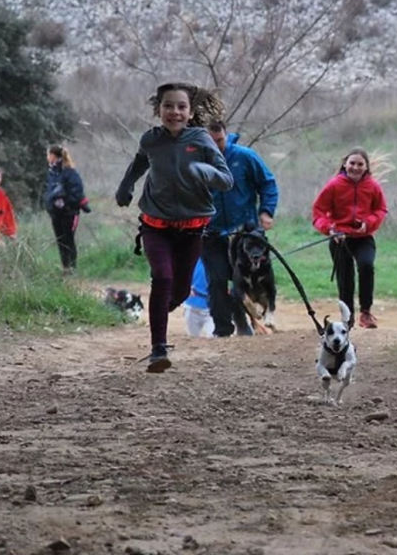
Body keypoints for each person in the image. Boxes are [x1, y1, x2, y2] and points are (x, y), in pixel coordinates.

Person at [115, 82, 233, 373]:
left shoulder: (202, 140)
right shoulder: (151, 140)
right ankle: (158, 349)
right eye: (168, 106)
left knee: (179, 292)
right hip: (156, 224)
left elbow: (226, 179)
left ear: (190, 111)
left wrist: (205, 171)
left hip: (192, 227)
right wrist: (126, 186)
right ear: (159, 109)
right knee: (162, 278)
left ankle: (159, 311)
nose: (175, 112)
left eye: (181, 107)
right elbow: (140, 163)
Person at [200, 119, 279, 338]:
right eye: (211, 143)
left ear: (226, 135)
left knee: (241, 279)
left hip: (245, 232)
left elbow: (268, 183)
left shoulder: (245, 156)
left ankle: (247, 321)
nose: (216, 147)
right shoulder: (196, 161)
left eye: (220, 141)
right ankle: (224, 329)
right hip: (211, 232)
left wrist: (266, 211)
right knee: (217, 279)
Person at [312, 147, 388, 329]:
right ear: (345, 164)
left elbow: (381, 210)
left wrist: (368, 223)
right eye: (352, 163)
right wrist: (329, 228)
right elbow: (318, 212)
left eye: (360, 164)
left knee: (366, 266)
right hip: (340, 238)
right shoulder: (334, 185)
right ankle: (348, 317)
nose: (355, 167)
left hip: (364, 237)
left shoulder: (373, 186)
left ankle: (366, 312)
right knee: (345, 277)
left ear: (366, 167)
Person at [43, 145, 91, 275]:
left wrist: (65, 201)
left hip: (69, 212)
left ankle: (72, 268)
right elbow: (49, 192)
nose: (47, 158)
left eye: (48, 155)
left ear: (54, 156)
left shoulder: (70, 172)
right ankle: (65, 267)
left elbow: (77, 191)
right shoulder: (52, 173)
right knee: (60, 240)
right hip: (56, 213)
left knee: (68, 239)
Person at [183, 259, 215, 339]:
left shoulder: (217, 258)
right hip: (192, 307)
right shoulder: (191, 259)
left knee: (213, 338)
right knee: (192, 338)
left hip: (212, 310)